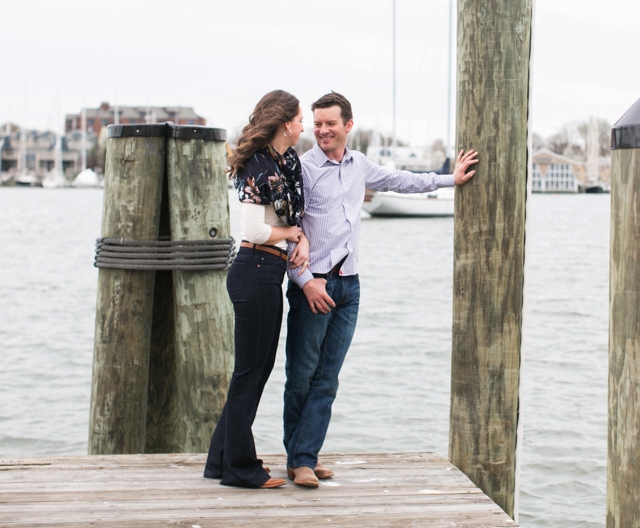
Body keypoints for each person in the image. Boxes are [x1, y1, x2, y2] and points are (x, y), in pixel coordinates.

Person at [282, 91, 478, 487]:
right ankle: (299, 458)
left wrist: (450, 179)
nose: (322, 130)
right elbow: (289, 232)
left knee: (328, 377)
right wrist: (304, 284)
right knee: (302, 374)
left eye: (330, 123)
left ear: (348, 126)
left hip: (349, 285)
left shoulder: (360, 165)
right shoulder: (300, 169)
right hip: (313, 285)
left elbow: (403, 180)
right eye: (317, 123)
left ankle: (305, 455)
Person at [204, 90, 310, 489]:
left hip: (269, 269)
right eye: (300, 119)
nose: (304, 126)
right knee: (250, 373)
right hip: (256, 268)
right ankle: (240, 468)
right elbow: (254, 229)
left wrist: (298, 239)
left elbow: (293, 220)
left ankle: (221, 459)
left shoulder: (286, 162)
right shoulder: (258, 165)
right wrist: (291, 233)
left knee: (255, 371)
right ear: (286, 123)